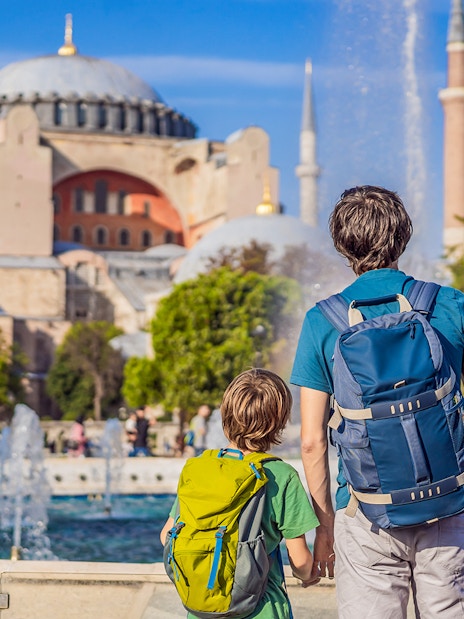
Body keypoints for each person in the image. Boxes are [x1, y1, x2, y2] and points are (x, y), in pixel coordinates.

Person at [290, 185, 464, 618]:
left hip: (366, 510)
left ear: (341, 244)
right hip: (450, 502)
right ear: (403, 235)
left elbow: (312, 441)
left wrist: (325, 526)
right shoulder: (450, 305)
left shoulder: (322, 320)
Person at [161, 368, 320, 619]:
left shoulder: (200, 468)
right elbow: (300, 560)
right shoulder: (280, 475)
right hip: (262, 608)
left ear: (225, 415)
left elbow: (166, 535)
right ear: (279, 421)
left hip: (202, 608)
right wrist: (308, 575)